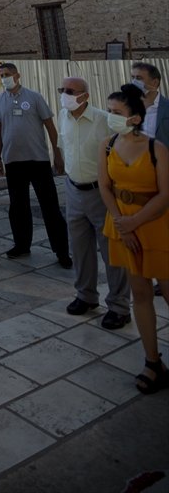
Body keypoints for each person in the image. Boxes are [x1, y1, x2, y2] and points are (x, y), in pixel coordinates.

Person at [99, 84, 169, 393]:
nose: (111, 117)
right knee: (139, 294)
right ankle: (153, 361)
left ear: (135, 118)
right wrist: (121, 223)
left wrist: (134, 222)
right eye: (110, 111)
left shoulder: (157, 149)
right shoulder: (107, 146)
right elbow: (105, 187)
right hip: (123, 226)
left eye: (117, 113)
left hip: (154, 225)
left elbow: (166, 194)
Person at [57, 75, 131, 328]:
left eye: (70, 90)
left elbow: (121, 156)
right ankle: (86, 295)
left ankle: (119, 306)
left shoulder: (103, 120)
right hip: (73, 189)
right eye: (62, 89)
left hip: (101, 192)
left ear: (85, 96)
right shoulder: (63, 116)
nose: (64, 94)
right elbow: (63, 147)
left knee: (111, 250)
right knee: (80, 248)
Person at [0, 62, 72, 268]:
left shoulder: (34, 97)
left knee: (50, 206)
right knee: (18, 206)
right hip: (13, 161)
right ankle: (22, 245)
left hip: (38, 160)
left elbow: (50, 126)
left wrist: (57, 154)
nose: (5, 78)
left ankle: (61, 250)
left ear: (18, 75)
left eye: (8, 74)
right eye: (2, 75)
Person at [131, 62, 169, 147]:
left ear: (155, 82)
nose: (134, 82)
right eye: (132, 77)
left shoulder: (167, 107)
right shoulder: (128, 107)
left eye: (139, 78)